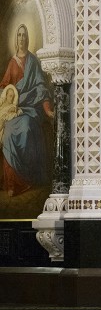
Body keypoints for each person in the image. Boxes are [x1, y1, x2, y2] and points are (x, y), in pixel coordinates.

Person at [0, 24, 54, 197]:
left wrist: (47, 109)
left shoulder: (33, 61)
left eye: (24, 35)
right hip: (13, 110)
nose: (22, 38)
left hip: (30, 109)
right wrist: (6, 98)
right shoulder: (12, 62)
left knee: (27, 128)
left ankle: (27, 178)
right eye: (19, 35)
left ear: (27, 38)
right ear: (16, 39)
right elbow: (4, 86)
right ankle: (13, 183)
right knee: (7, 135)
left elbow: (40, 87)